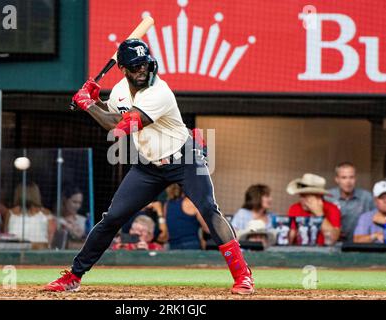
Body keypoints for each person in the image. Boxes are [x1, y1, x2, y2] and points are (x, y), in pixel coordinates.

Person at [44, 39, 254, 294]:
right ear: (122, 69)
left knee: (209, 209)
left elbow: (118, 127)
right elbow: (111, 114)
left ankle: (243, 275)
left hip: (184, 157)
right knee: (112, 218)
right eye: (134, 67)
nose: (141, 70)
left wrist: (86, 104)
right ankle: (73, 276)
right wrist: (95, 100)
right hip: (148, 164)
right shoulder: (120, 90)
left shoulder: (159, 92)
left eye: (144, 65)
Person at [286, 173, 341, 246]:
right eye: (301, 196)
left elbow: (332, 238)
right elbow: (288, 240)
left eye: (306, 196)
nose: (302, 200)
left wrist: (319, 214)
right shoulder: (294, 208)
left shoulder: (332, 209)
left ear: (319, 197)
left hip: (324, 254)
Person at [326, 162, 375, 243]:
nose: (348, 181)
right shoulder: (328, 197)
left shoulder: (366, 197)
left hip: (360, 244)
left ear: (355, 178)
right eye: (344, 178)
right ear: (337, 179)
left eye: (351, 177)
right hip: (334, 244)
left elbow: (377, 217)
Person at [4, 182, 56, 250]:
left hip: (14, 252)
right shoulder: (47, 214)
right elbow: (50, 240)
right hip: (40, 253)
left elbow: (5, 235)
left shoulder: (10, 213)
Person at [164, 184, 210, 250]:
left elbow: (168, 232)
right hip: (191, 246)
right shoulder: (191, 203)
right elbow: (208, 229)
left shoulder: (167, 205)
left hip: (173, 247)